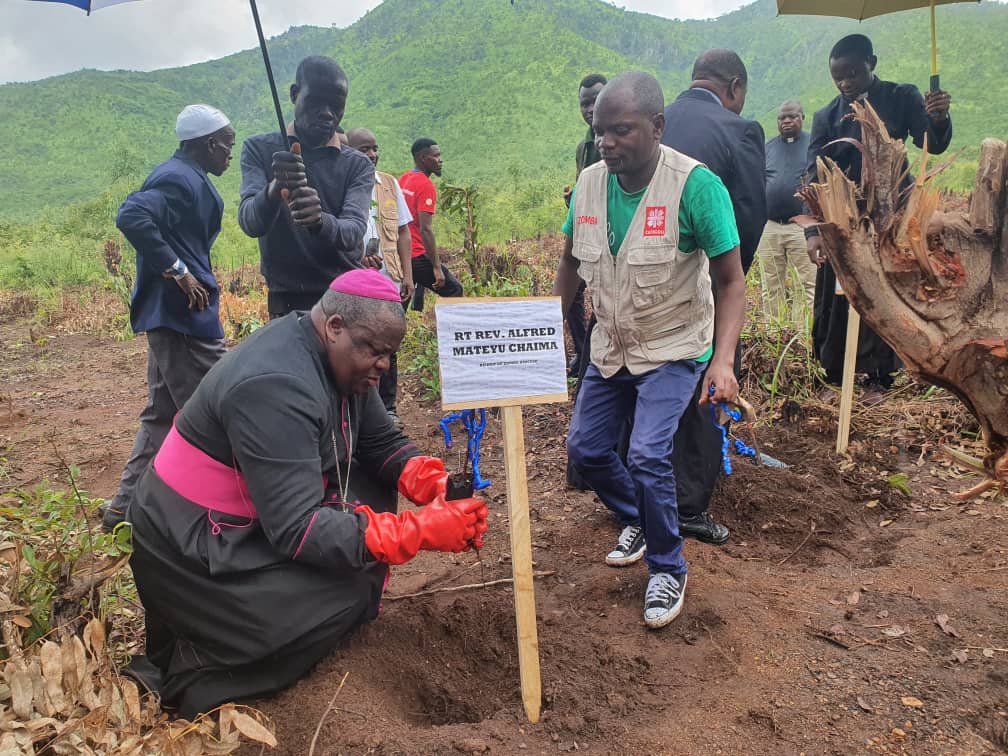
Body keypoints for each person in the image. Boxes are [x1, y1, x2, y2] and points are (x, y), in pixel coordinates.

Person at [127, 269, 489, 718]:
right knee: (350, 589)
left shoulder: (336, 356)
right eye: (375, 351)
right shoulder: (276, 384)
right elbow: (296, 529)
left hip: (243, 514)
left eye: (389, 355)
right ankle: (201, 666)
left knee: (367, 515)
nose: (383, 366)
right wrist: (416, 531)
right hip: (185, 545)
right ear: (335, 327)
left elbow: (379, 442)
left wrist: (429, 482)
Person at [554, 72, 746, 628]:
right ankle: (641, 515)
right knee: (586, 451)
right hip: (611, 344)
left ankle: (667, 567)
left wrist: (723, 361)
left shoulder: (695, 187)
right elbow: (570, 262)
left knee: (645, 455)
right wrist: (542, 327)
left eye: (621, 131)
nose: (607, 143)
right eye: (600, 132)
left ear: (657, 126)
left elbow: (732, 282)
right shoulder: (590, 184)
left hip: (673, 345)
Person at [101, 104, 235, 533]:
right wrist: (178, 271)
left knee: (161, 414)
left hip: (175, 320)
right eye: (227, 145)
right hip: (183, 321)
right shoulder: (177, 178)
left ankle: (123, 507)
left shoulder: (187, 177)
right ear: (209, 143)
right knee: (220, 407)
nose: (229, 155)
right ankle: (223, 511)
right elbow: (131, 216)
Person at [806, 33, 952, 404]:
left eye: (852, 73)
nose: (845, 83)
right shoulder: (827, 116)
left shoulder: (900, 97)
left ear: (872, 62)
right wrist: (814, 229)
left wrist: (938, 117)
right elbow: (812, 173)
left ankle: (878, 377)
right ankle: (835, 374)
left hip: (887, 220)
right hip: (841, 222)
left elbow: (931, 143)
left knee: (882, 293)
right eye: (838, 76)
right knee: (836, 297)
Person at [658, 49, 766, 547]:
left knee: (646, 383)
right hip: (703, 279)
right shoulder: (738, 130)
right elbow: (748, 215)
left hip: (642, 279)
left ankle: (638, 494)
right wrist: (730, 280)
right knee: (706, 383)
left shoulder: (648, 117)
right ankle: (688, 507)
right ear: (736, 86)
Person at [238, 56, 375, 319]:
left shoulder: (357, 164)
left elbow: (353, 231)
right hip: (285, 298)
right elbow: (250, 222)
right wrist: (274, 189)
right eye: (316, 102)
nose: (327, 113)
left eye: (336, 105)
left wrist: (319, 222)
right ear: (294, 94)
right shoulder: (260, 149)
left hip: (343, 293)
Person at [346, 126, 415, 425]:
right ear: (348, 151)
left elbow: (403, 231)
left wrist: (408, 276)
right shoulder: (342, 184)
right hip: (354, 281)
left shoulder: (388, 183)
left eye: (375, 149)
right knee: (357, 344)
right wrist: (357, 259)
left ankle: (388, 409)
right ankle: (357, 409)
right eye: (365, 150)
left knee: (389, 344)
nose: (372, 155)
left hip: (389, 280)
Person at [562, 73, 606, 378]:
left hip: (613, 234)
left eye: (596, 100)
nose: (589, 108)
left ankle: (593, 353)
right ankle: (583, 351)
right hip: (586, 231)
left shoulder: (620, 140)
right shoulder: (584, 147)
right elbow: (585, 189)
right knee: (575, 293)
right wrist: (573, 199)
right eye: (584, 103)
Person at [757, 101, 816, 325]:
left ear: (802, 118)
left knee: (806, 283)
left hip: (802, 227)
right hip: (771, 226)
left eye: (792, 116)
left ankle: (802, 336)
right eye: (782, 118)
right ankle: (775, 333)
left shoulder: (812, 146)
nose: (787, 121)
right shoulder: (768, 148)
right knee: (771, 283)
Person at [399, 138, 464, 310]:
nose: (440, 160)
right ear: (423, 158)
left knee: (401, 301)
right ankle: (450, 334)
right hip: (417, 254)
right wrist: (436, 267)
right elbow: (425, 229)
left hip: (401, 252)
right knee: (454, 290)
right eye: (436, 155)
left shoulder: (404, 179)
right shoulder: (426, 185)